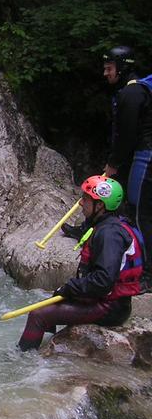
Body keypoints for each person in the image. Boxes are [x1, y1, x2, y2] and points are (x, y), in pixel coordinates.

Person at [19, 176, 141, 351]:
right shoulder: (108, 225)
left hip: (110, 307)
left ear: (100, 206)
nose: (81, 203)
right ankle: (48, 346)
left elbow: (103, 281)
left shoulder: (109, 235)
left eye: (85, 199)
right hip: (108, 301)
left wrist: (71, 288)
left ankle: (21, 358)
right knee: (54, 299)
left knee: (38, 315)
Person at [100, 45, 152, 287]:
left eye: (109, 68)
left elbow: (127, 135)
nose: (105, 73)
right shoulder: (138, 90)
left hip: (146, 156)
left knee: (141, 214)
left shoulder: (131, 93)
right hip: (143, 154)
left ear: (121, 68)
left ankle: (147, 276)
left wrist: (113, 163)